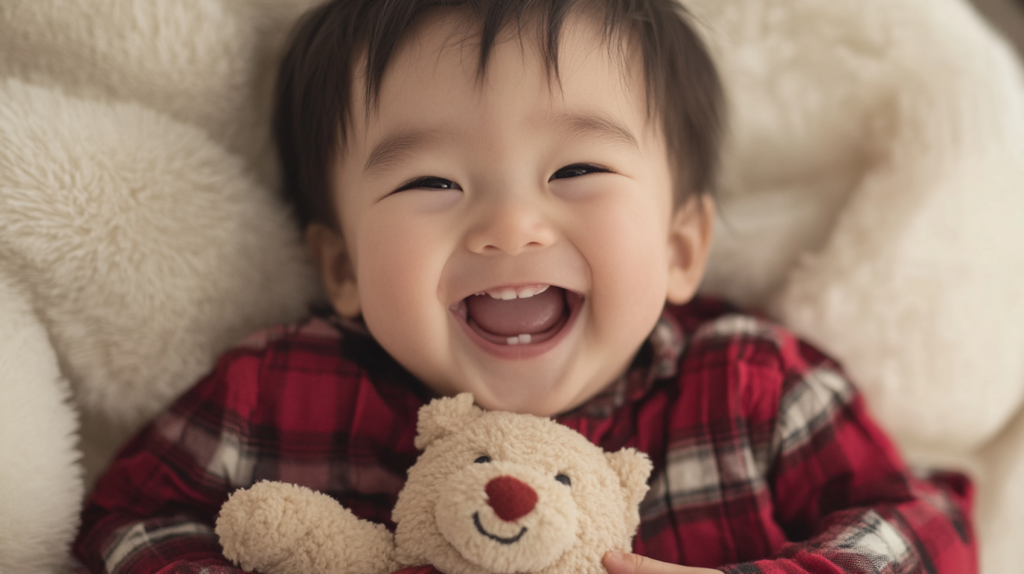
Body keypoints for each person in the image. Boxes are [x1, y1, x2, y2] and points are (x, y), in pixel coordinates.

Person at [73, 1, 977, 573]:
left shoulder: (750, 386)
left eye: (577, 169)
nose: (510, 227)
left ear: (678, 247)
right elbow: (127, 518)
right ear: (343, 266)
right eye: (431, 181)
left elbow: (929, 532)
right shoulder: (279, 392)